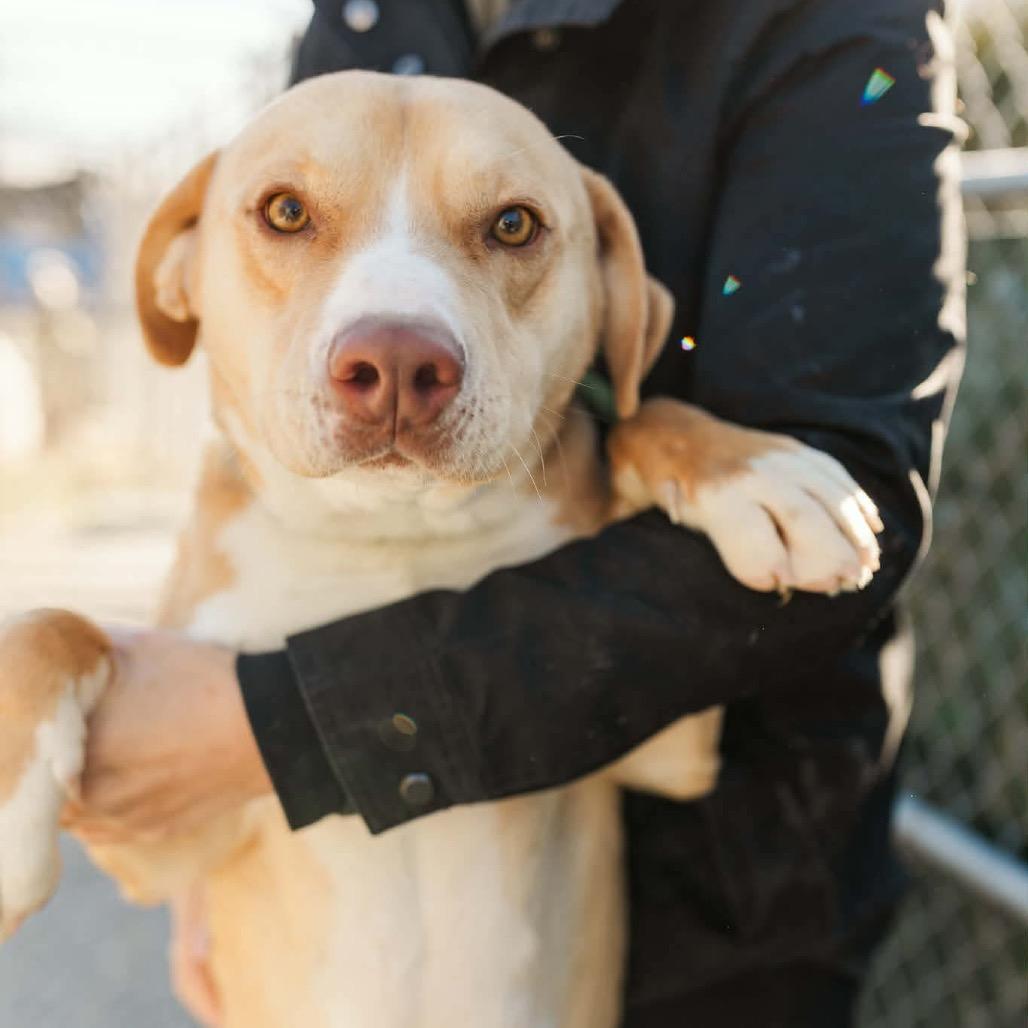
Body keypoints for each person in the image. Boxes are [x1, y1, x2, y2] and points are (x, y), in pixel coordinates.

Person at [72, 1, 966, 1024]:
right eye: (289, 215)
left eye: (506, 225)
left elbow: (851, 486)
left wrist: (273, 729)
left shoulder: (833, 22)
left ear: (613, 289)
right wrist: (209, 837)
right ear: (172, 271)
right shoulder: (366, 14)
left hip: (733, 879)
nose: (390, 345)